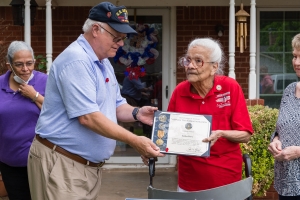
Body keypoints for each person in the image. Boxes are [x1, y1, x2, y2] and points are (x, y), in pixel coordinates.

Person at [27, 2, 164, 200]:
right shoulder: (77, 60)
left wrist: (137, 113)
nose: (120, 44)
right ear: (96, 29)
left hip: (81, 167)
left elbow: (117, 104)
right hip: (63, 164)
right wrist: (135, 141)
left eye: (123, 38)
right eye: (116, 37)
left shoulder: (102, 61)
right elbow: (88, 117)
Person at [142, 38, 253, 191]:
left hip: (225, 178)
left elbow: (245, 134)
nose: (190, 66)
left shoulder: (230, 88)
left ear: (214, 67)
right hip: (189, 180)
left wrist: (221, 133)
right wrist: (151, 149)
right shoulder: (180, 91)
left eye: (198, 61)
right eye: (187, 60)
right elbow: (167, 134)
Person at [0, 41, 47, 200]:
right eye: (19, 64)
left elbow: (57, 113)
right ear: (9, 66)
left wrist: (34, 96)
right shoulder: (0, 84)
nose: (25, 69)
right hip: (9, 161)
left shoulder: (44, 82)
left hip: (41, 162)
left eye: (29, 63)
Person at [268, 33, 300, 200]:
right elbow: (281, 127)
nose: (297, 62)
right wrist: (275, 140)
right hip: (285, 181)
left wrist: (298, 151)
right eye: (295, 56)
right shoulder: (289, 90)